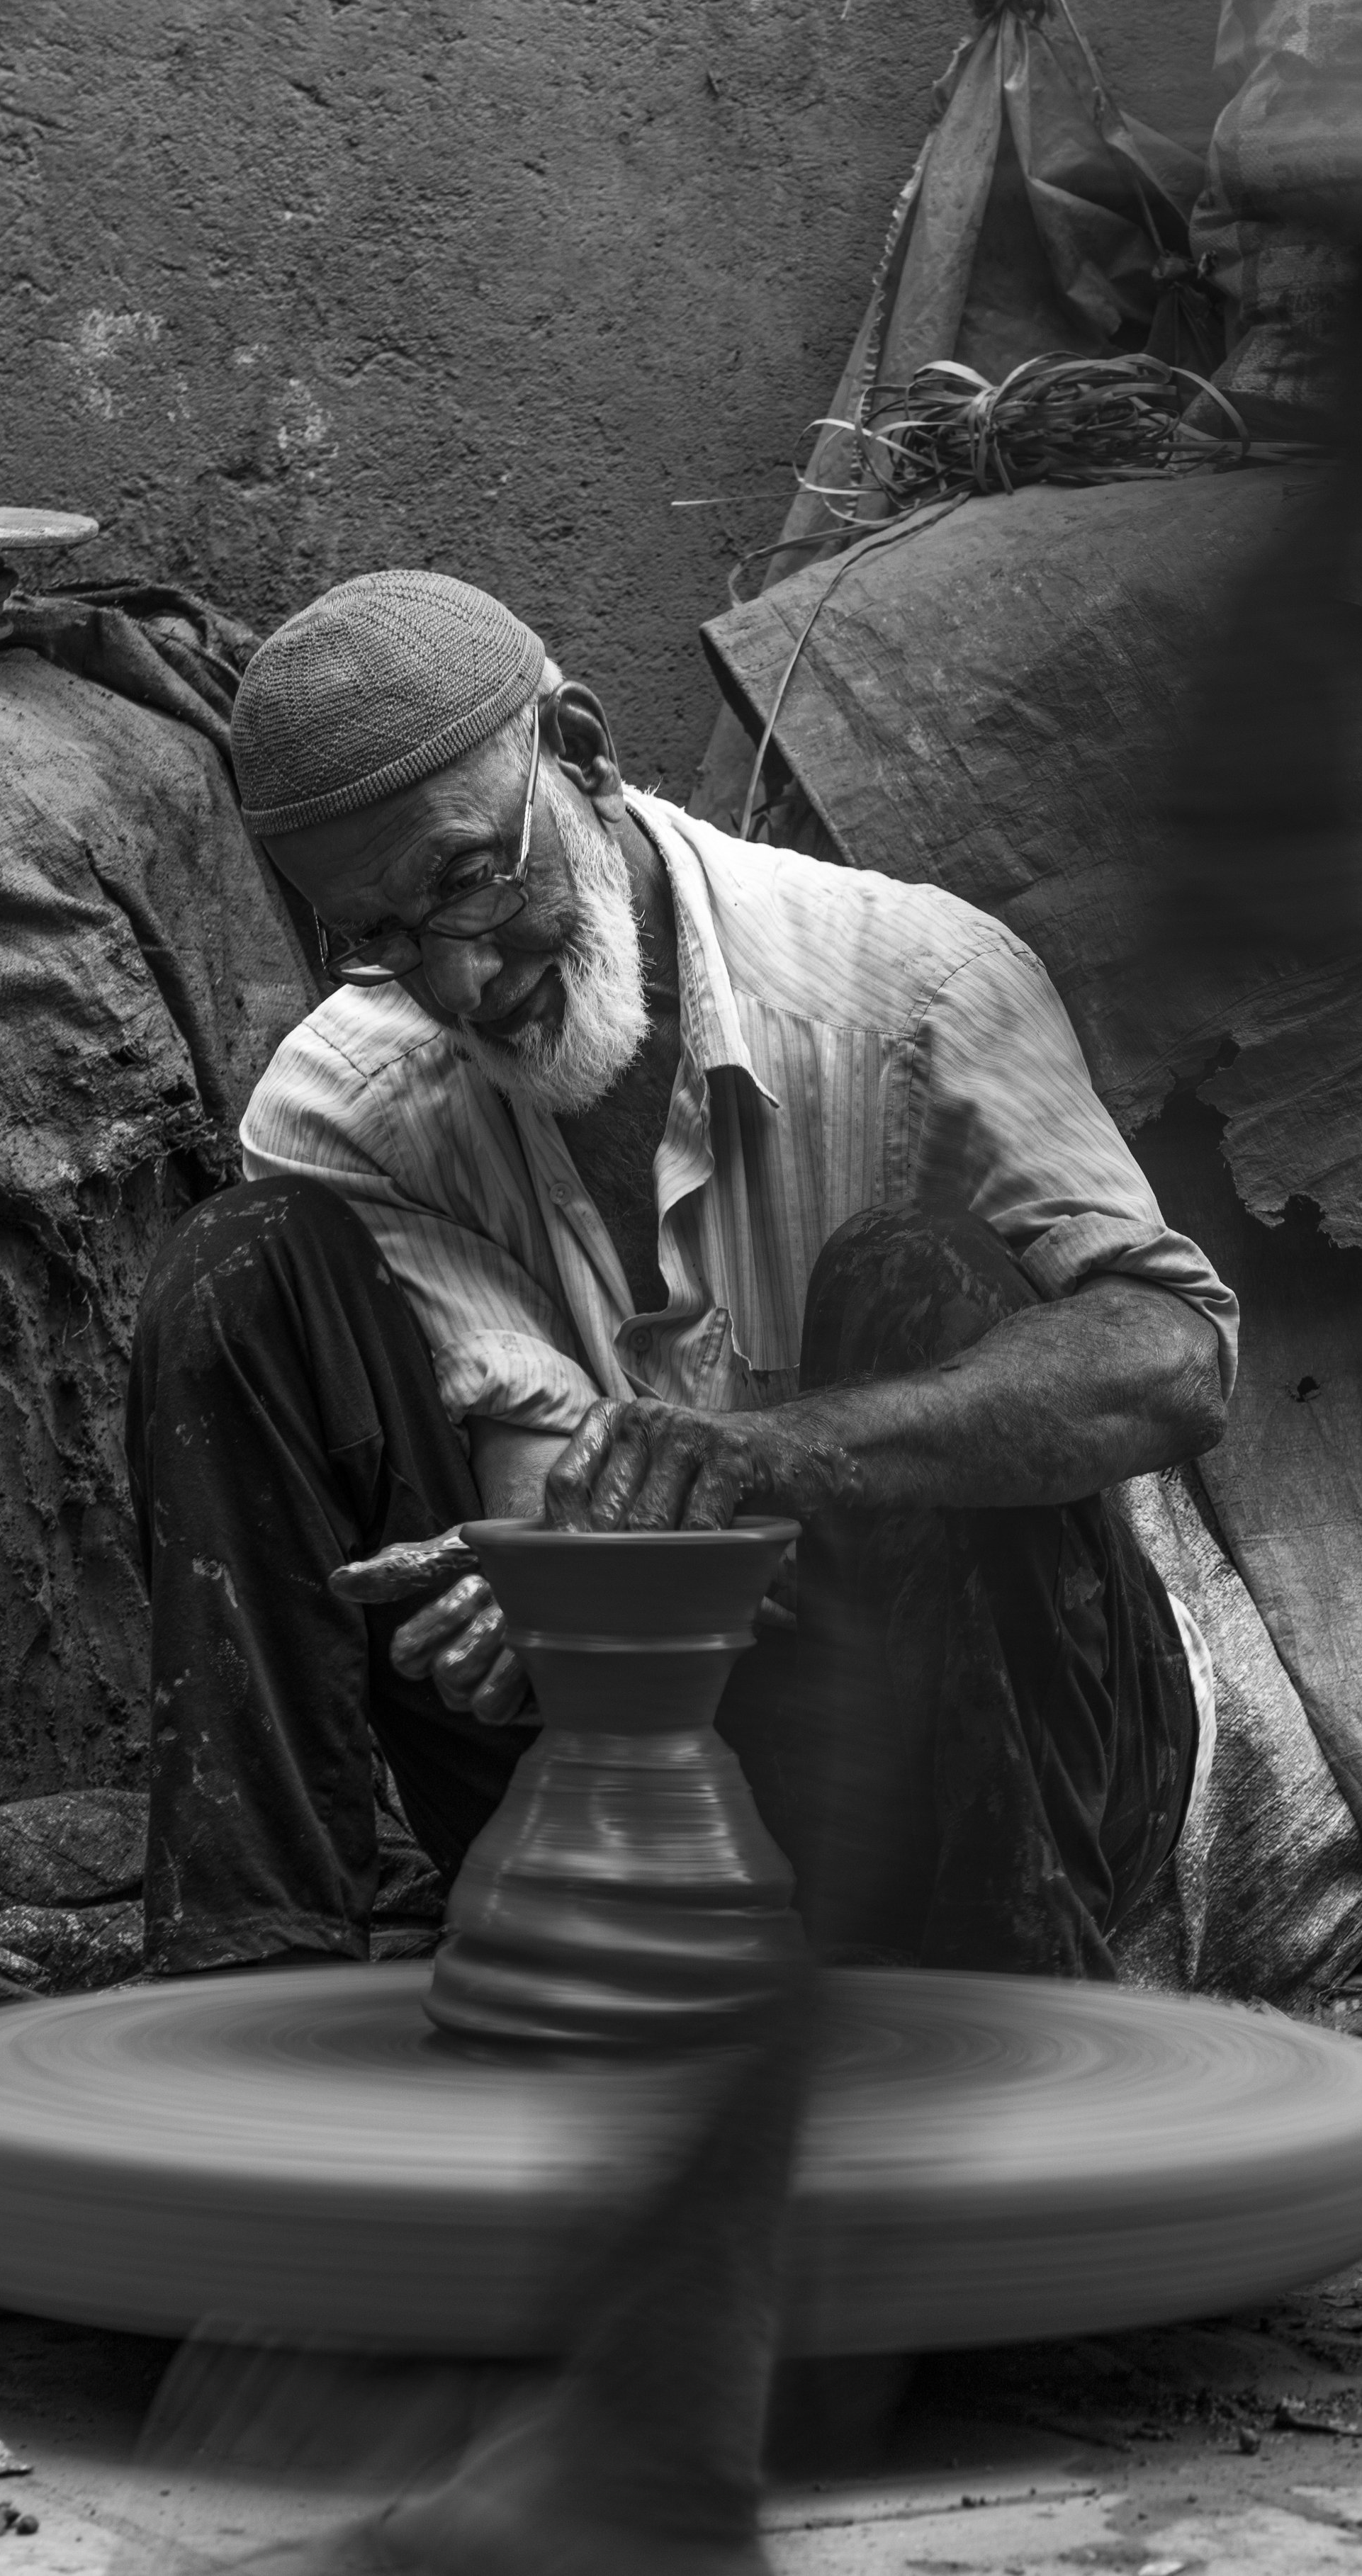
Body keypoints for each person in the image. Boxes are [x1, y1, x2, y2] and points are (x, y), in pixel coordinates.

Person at [124, 567, 1234, 1982]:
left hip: (981, 1772)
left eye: (468, 880)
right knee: (236, 1268)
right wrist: (561, 1584)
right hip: (617, 1790)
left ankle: (991, 2027)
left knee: (918, 1279)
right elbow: (537, 1459)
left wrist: (780, 1459)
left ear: (579, 753)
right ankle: (245, 1988)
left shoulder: (914, 985)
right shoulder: (344, 1103)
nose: (460, 979)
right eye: (380, 938)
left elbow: (1173, 1360)